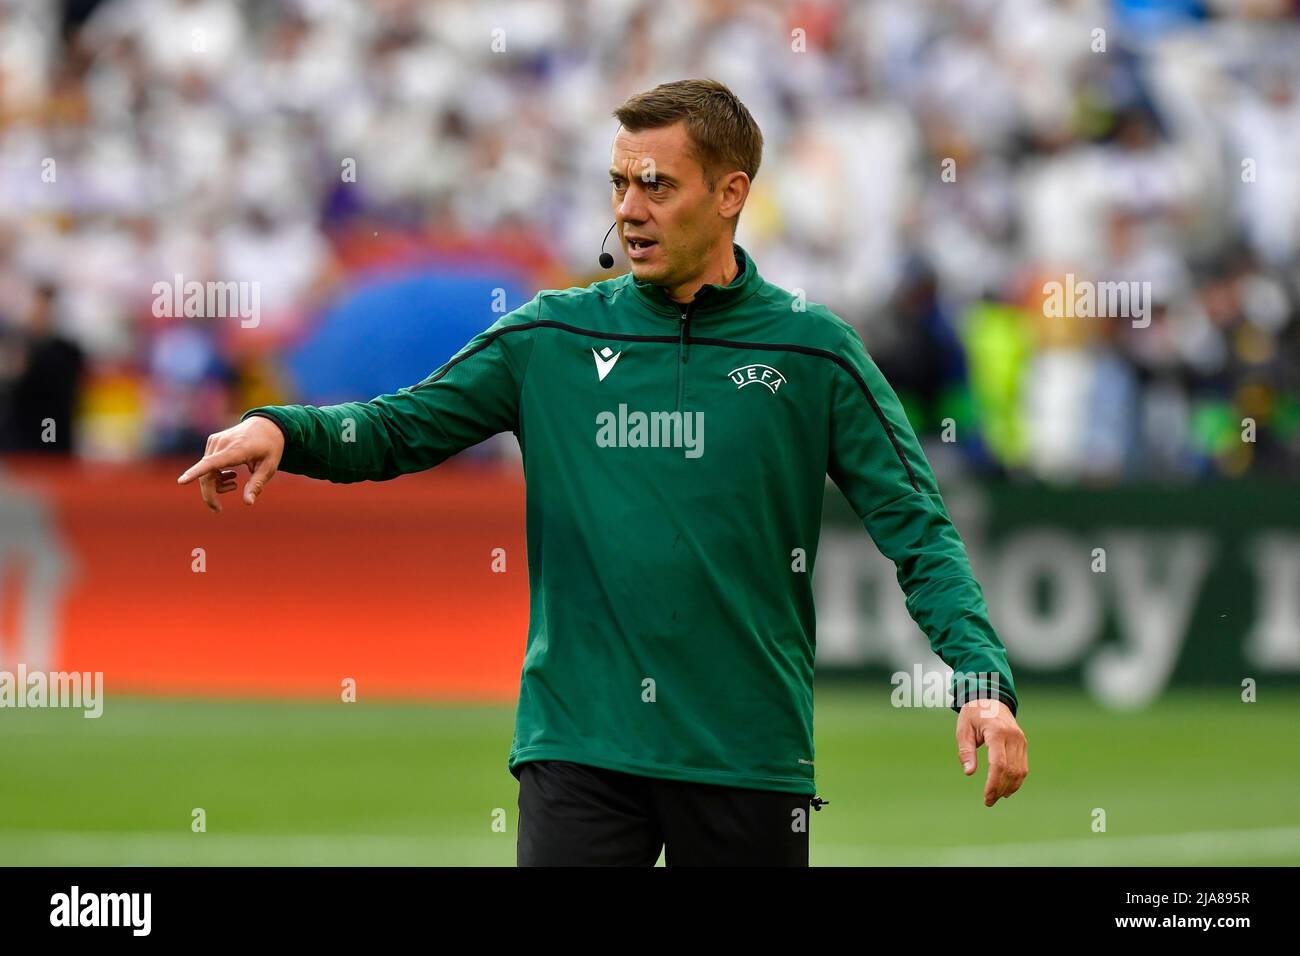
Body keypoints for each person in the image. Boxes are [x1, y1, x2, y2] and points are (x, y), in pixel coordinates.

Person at [178, 78, 1028, 867]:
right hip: (578, 745)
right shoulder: (551, 336)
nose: (629, 210)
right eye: (619, 185)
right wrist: (283, 428)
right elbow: (403, 426)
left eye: (657, 185)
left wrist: (981, 681)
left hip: (746, 751)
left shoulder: (813, 351)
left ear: (732, 194)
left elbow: (918, 529)